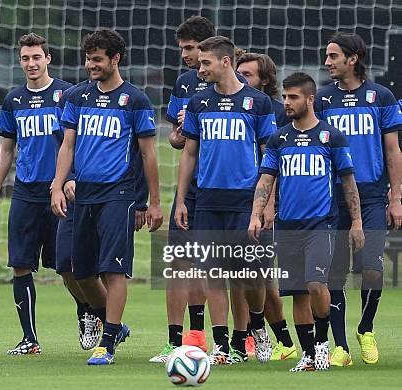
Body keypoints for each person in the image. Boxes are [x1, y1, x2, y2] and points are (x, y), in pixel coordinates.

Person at [51, 28, 163, 365]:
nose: (90, 65)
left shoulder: (136, 100)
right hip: (83, 194)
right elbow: (67, 145)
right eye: (88, 59)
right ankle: (115, 325)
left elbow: (148, 155)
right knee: (80, 271)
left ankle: (108, 343)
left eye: (97, 59)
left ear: (115, 59)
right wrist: (57, 185)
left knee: (113, 271)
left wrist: (153, 202)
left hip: (120, 194)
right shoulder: (76, 97)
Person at [251, 72, 364, 371]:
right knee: (298, 293)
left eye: (294, 97)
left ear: (310, 99)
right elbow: (265, 180)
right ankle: (308, 355)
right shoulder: (279, 139)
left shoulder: (331, 137)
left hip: (321, 224)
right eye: (285, 97)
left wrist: (356, 222)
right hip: (287, 226)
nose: (287, 102)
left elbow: (349, 183)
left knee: (316, 283)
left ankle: (323, 344)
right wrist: (255, 214)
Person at [175, 36, 276, 365]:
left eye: (206, 63)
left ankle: (256, 326)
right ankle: (221, 345)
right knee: (212, 275)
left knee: (251, 278)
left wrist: (266, 205)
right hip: (208, 202)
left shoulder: (257, 103)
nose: (200, 68)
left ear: (226, 62)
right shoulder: (199, 103)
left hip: (246, 202)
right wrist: (181, 200)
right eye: (200, 62)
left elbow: (268, 158)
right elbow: (189, 154)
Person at [315, 32, 402, 366]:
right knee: (334, 273)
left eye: (333, 56)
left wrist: (396, 198)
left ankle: (365, 328)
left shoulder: (381, 97)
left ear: (352, 59)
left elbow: (393, 151)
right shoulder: (322, 100)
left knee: (372, 268)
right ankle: (340, 347)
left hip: (371, 196)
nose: (327, 62)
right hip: (334, 198)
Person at [0, 33, 72, 355]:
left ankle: (88, 315)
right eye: (25, 58)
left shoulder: (67, 95)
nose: (31, 63)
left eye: (37, 57)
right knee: (20, 265)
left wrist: (66, 182)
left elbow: (74, 145)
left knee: (67, 265)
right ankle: (30, 339)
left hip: (60, 192)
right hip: (25, 192)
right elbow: (6, 152)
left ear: (48, 58)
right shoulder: (13, 100)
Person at [149, 16, 216, 364]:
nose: (185, 56)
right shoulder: (184, 84)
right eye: (183, 49)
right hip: (188, 188)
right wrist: (178, 134)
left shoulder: (231, 87)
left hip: (220, 188)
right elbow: (177, 140)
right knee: (178, 264)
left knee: (214, 267)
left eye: (190, 49)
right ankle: (176, 342)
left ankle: (209, 337)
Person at [236, 52, 298, 361]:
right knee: (249, 276)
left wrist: (269, 205)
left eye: (248, 74)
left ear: (265, 80)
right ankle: (273, 340)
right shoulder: (231, 107)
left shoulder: (280, 112)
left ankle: (277, 340)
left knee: (263, 277)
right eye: (239, 73)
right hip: (240, 202)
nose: (241, 79)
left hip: (275, 204)